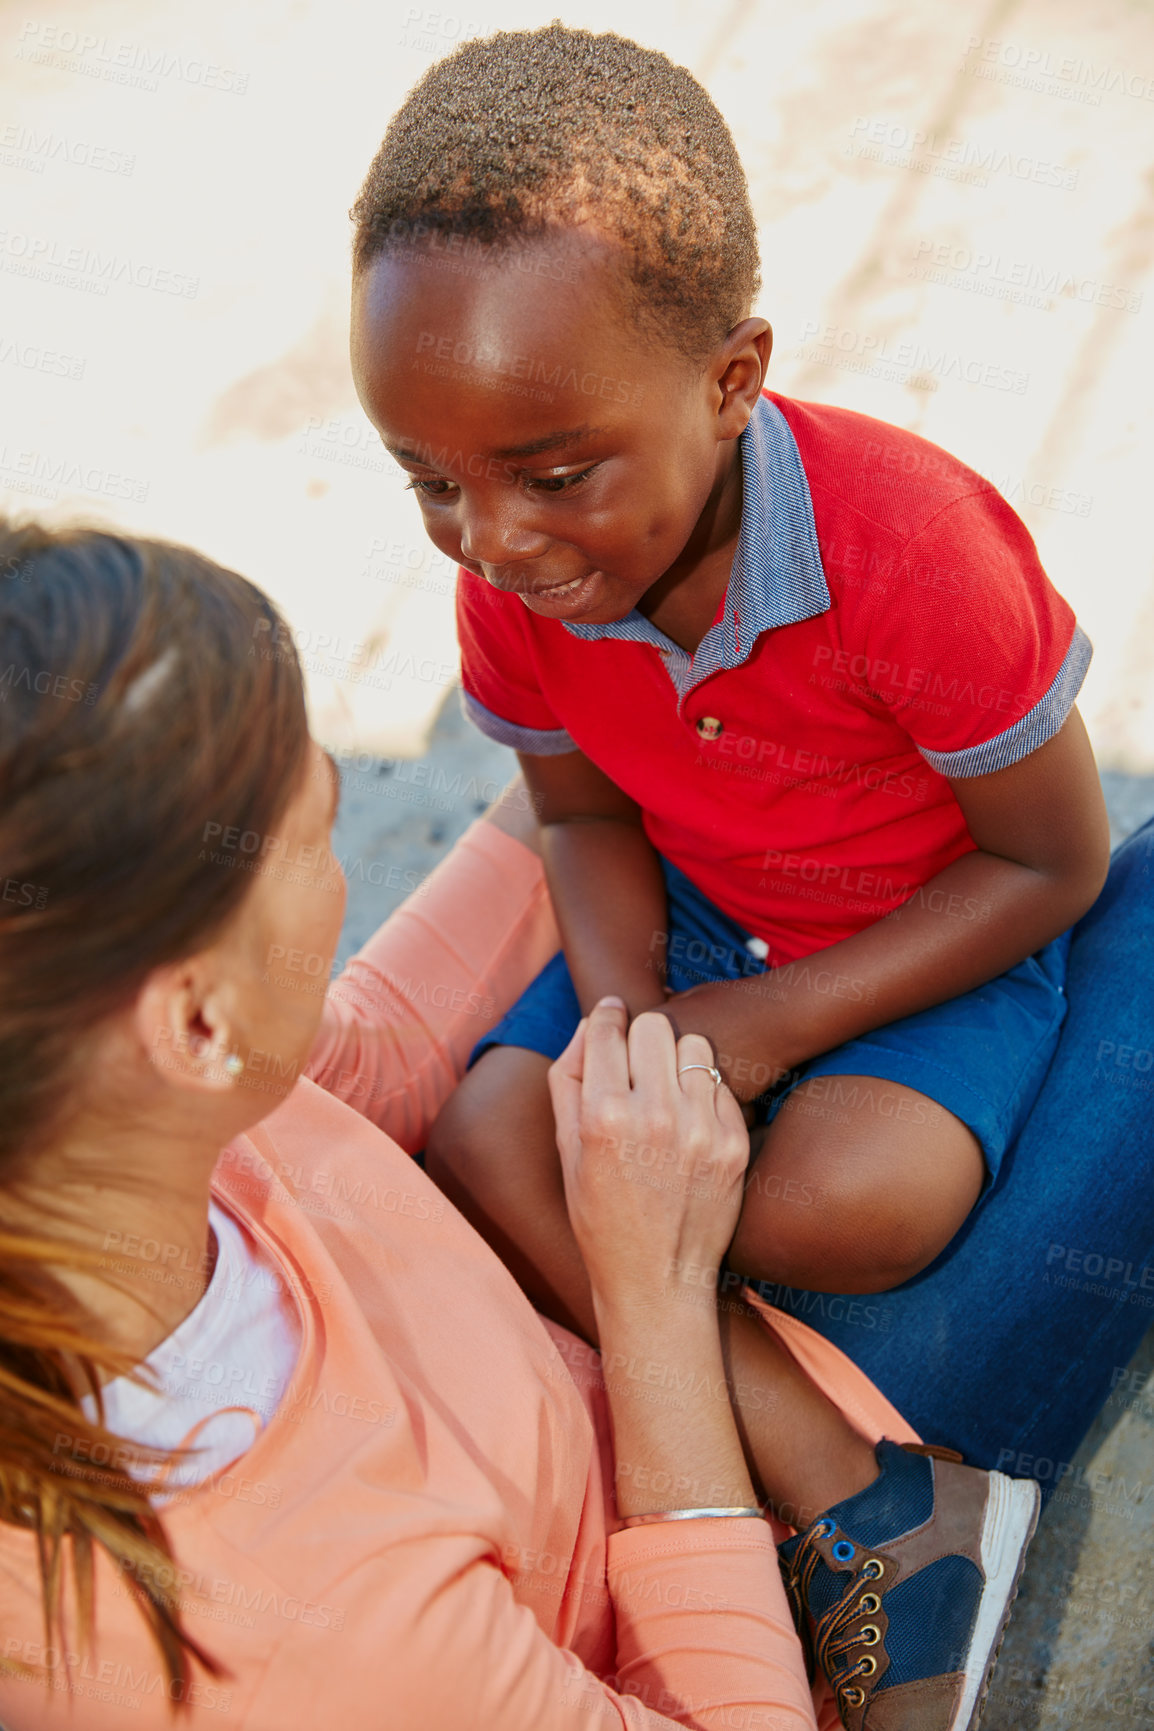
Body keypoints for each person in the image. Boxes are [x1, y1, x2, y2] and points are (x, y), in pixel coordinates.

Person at [0, 520, 1042, 1731]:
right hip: (734, 1536)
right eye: (312, 827)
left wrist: (597, 704)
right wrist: (652, 1291)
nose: (336, 827)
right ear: (192, 1024)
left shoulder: (107, 1111)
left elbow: (374, 1054)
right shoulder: (313, 1649)